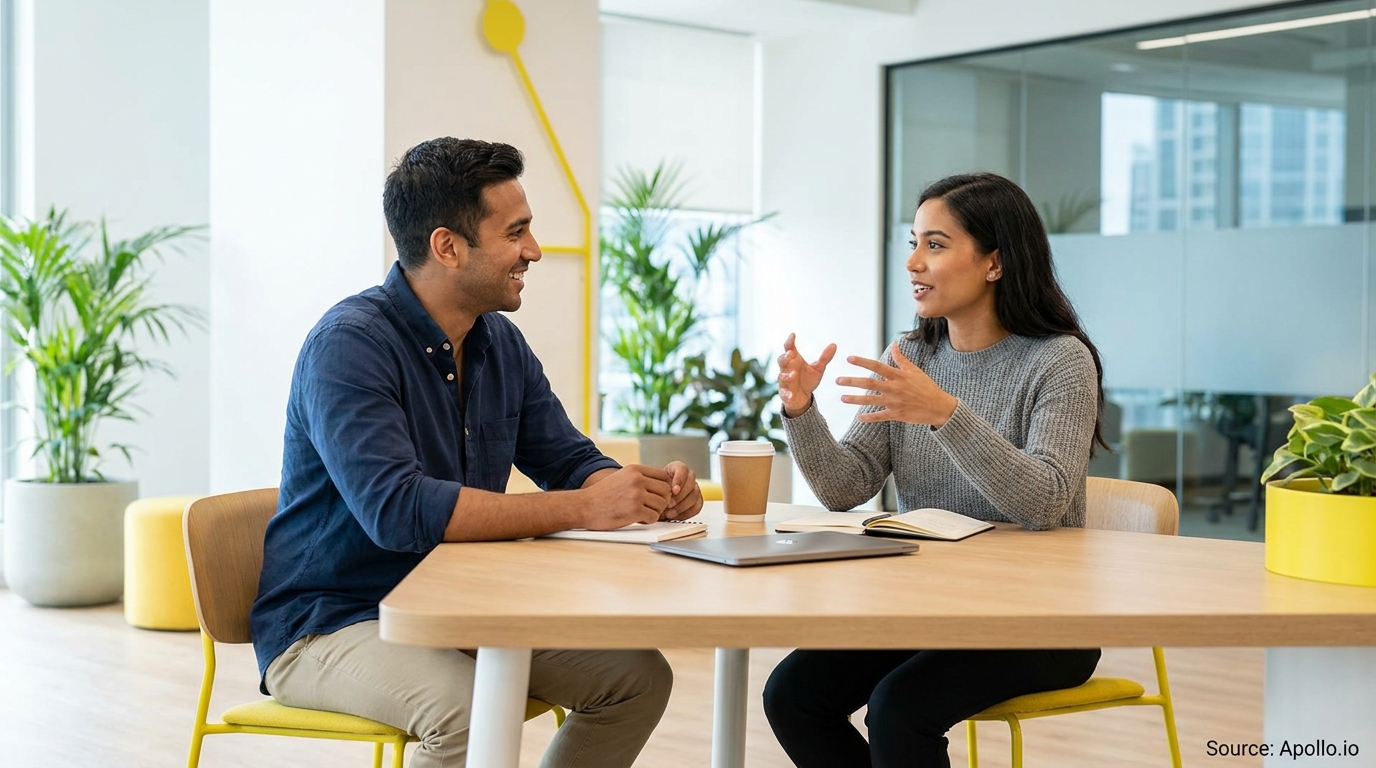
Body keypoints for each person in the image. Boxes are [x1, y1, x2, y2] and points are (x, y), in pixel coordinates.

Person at [249, 137, 703, 768]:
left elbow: (569, 461)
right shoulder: (348, 347)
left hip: (460, 610)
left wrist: (640, 492)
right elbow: (398, 511)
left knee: (635, 679)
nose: (534, 251)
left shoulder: (498, 343)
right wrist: (584, 507)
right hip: (333, 621)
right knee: (465, 711)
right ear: (447, 246)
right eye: (515, 233)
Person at [762, 172, 1106, 768]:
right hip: (929, 608)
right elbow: (846, 488)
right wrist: (802, 410)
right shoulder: (913, 356)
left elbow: (1045, 502)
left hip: (1042, 622)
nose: (913, 262)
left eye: (936, 245)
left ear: (994, 263)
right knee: (792, 695)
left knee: (899, 707)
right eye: (914, 242)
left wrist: (946, 414)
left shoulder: (1060, 362)